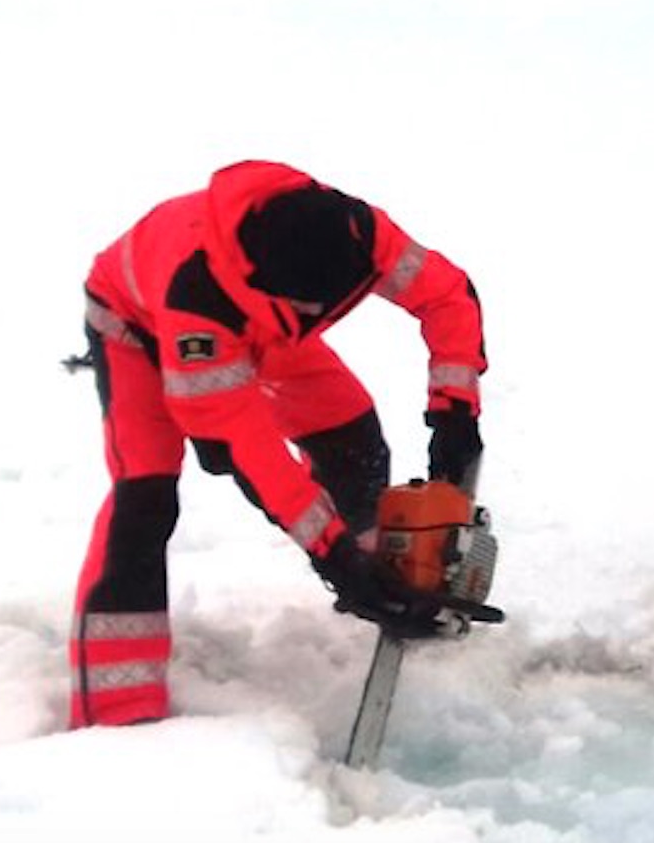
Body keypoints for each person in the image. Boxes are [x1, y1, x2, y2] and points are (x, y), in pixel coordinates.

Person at [69, 160, 490, 728]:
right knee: (144, 496)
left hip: (262, 322)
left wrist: (454, 411)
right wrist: (331, 556)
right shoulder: (198, 304)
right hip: (136, 325)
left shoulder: (358, 235)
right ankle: (117, 706)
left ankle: (384, 573)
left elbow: (447, 296)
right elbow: (249, 450)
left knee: (349, 434)